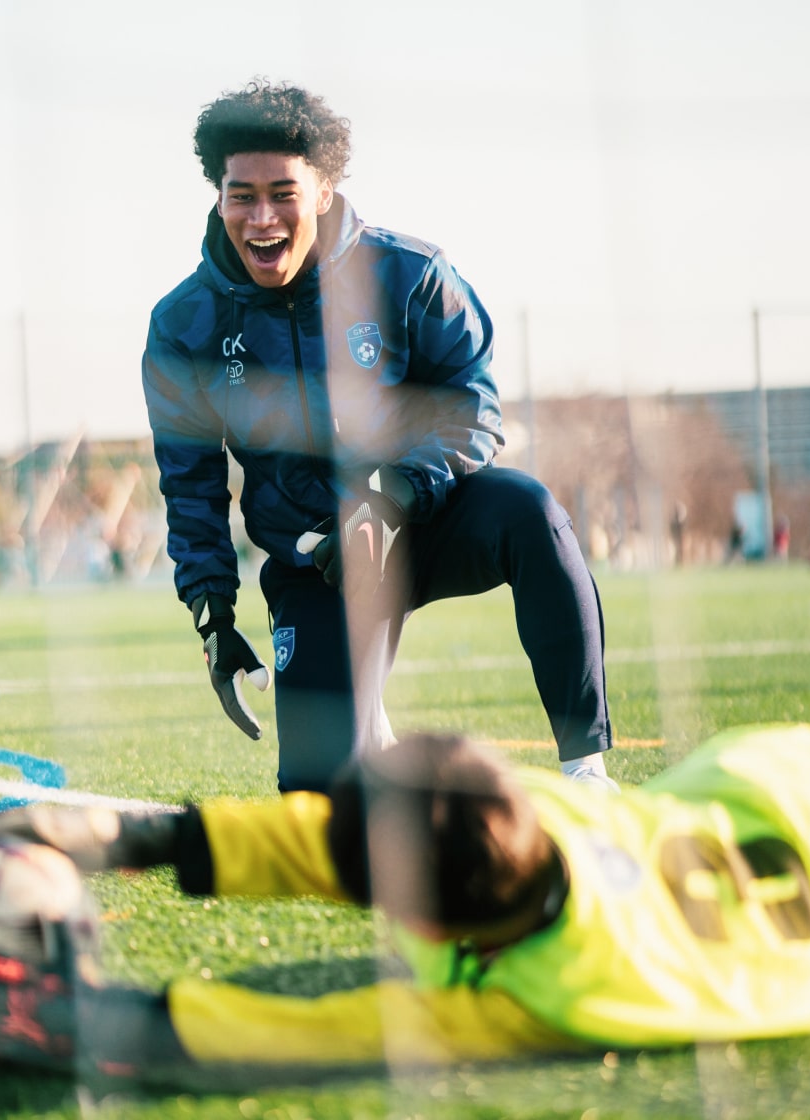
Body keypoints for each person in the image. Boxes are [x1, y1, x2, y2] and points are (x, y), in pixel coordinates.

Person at [0, 722, 810, 1080]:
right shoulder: (539, 813)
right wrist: (128, 836)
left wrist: (70, 1013)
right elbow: (339, 845)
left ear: (426, 926)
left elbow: (308, 1034)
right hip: (789, 792)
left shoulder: (541, 1001)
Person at [141, 79, 615, 794]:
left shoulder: (409, 274)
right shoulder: (184, 325)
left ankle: (586, 770)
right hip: (317, 562)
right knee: (319, 804)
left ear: (325, 189)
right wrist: (213, 616)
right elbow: (190, 485)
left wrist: (392, 493)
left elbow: (474, 409)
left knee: (532, 514)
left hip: (420, 520)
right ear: (219, 196)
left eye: (283, 192)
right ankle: (360, 711)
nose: (261, 218)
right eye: (242, 195)